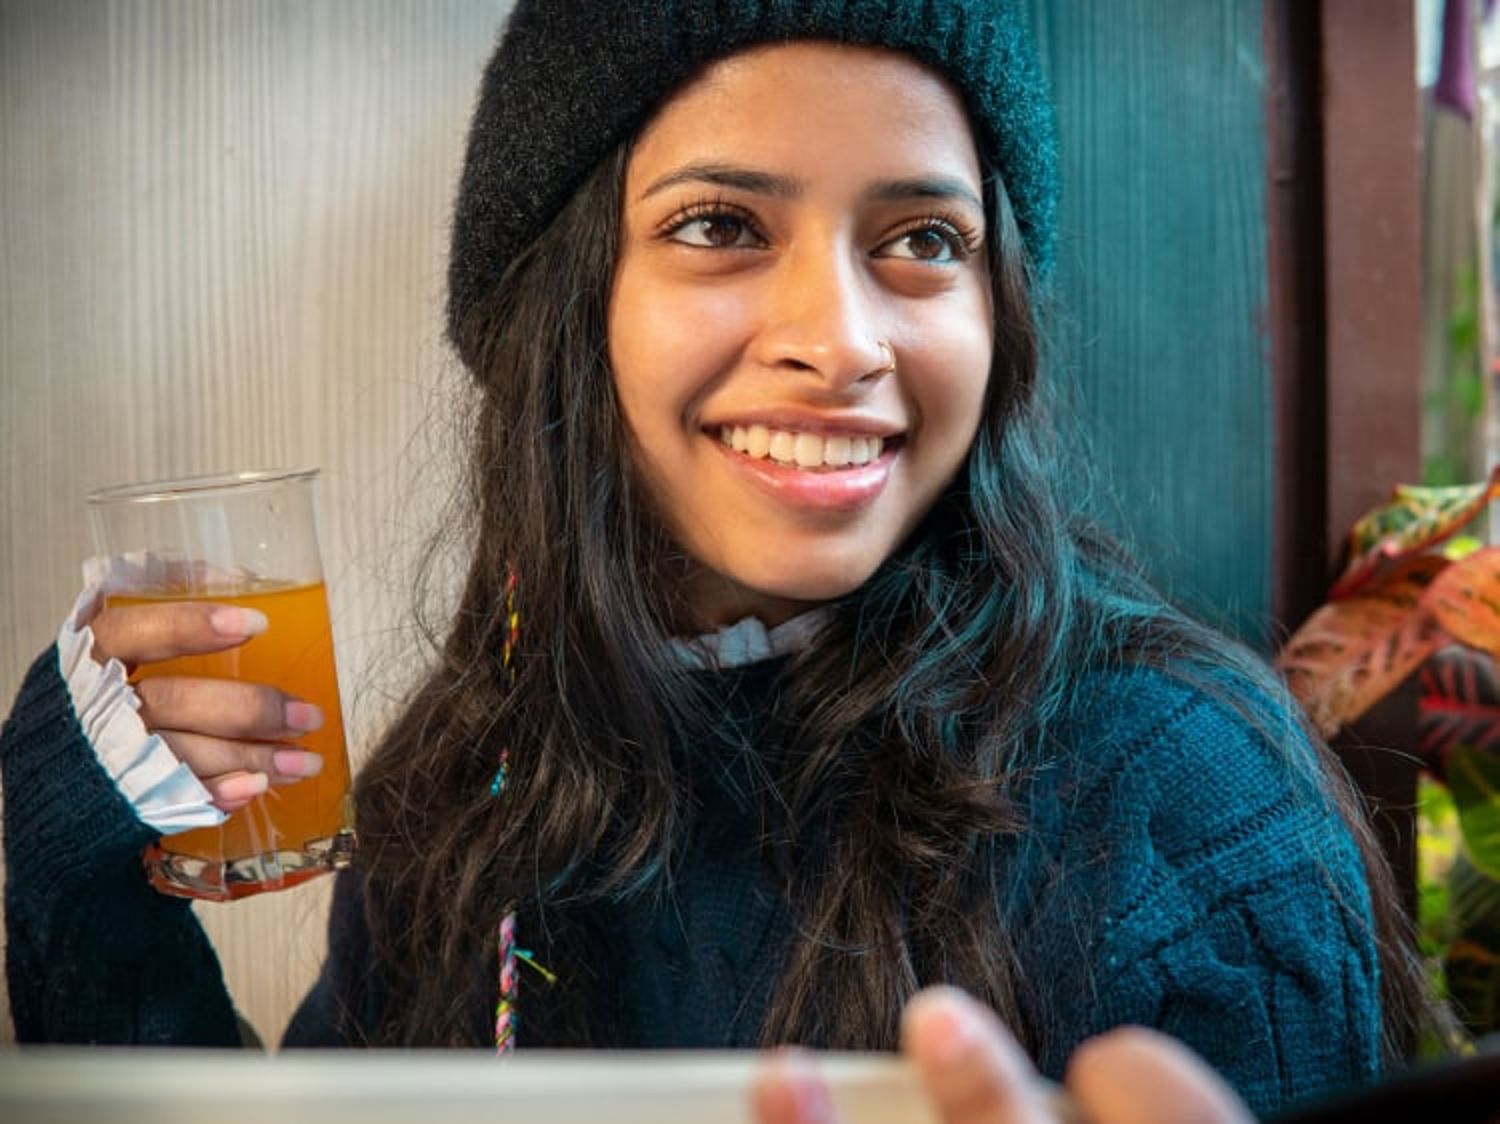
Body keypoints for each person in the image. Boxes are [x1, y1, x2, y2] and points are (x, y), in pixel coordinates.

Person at [0, 1, 1426, 1120]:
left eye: (924, 240)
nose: (845, 340)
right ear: (562, 311)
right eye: (720, 226)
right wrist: (74, 841)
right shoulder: (468, 778)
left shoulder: (1173, 794)